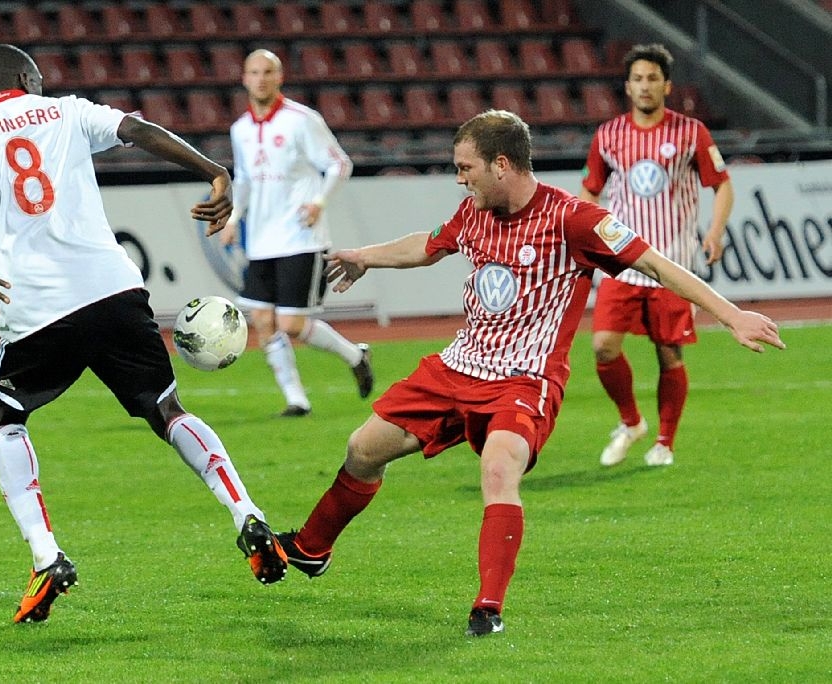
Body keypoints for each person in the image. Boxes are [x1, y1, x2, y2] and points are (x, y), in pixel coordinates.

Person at [275, 109, 784, 637]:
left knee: (499, 468)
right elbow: (426, 246)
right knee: (363, 448)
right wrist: (366, 257)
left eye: (465, 167)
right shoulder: (474, 212)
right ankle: (311, 548)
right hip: (460, 366)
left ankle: (487, 608)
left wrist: (731, 314)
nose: (459, 179)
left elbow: (655, 263)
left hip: (526, 378)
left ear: (501, 164)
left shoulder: (574, 220)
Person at [0, 44, 287, 624]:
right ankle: (246, 512)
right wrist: (214, 171)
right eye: (38, 77)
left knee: (3, 417)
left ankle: (46, 556)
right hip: (115, 290)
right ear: (24, 78)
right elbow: (138, 130)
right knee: (168, 410)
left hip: (41, 307)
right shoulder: (69, 110)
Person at [580, 43, 735, 468]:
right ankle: (631, 422)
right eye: (637, 79)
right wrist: (589, 240)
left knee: (669, 354)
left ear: (667, 85)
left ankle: (665, 442)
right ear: (627, 87)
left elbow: (722, 183)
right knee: (603, 347)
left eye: (652, 78)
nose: (644, 86)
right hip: (622, 264)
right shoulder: (608, 135)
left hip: (673, 267)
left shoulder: (691, 133)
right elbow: (590, 191)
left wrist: (716, 231)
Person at [219, 49, 372, 417]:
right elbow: (244, 179)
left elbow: (339, 164)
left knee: (290, 324)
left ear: (279, 77)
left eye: (267, 72)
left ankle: (354, 355)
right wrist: (234, 218)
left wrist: (319, 201)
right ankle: (296, 399)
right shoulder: (240, 129)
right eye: (254, 72)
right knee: (262, 320)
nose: (261, 79)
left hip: (300, 237)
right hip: (260, 240)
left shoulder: (302, 120)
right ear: (244, 79)